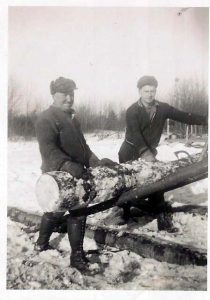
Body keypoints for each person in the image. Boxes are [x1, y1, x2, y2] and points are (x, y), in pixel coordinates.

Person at [35, 76, 115, 272]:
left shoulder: (73, 118)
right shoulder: (46, 118)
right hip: (57, 174)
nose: (69, 98)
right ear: (54, 95)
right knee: (57, 211)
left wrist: (95, 161)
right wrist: (68, 165)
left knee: (77, 211)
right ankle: (43, 244)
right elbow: (48, 149)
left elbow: (83, 147)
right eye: (64, 94)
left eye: (71, 94)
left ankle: (73, 255)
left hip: (76, 173)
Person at [118, 75, 208, 231]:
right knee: (128, 184)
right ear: (139, 91)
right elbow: (136, 135)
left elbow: (182, 116)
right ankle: (125, 212)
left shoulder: (162, 108)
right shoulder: (132, 111)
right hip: (130, 152)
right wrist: (146, 154)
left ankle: (161, 221)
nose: (150, 95)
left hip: (149, 153)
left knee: (157, 183)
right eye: (146, 91)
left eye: (152, 91)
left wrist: (205, 119)